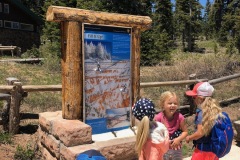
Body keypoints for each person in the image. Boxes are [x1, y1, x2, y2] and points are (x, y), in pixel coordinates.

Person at [185, 82, 223, 160]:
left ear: (200, 98)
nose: (193, 99)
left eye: (194, 97)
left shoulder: (201, 113)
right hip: (214, 149)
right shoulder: (215, 110)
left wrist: (189, 137)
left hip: (203, 150)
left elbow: (200, 133)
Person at [154, 91, 188, 160]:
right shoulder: (158, 118)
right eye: (170, 103)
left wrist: (178, 139)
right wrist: (165, 142)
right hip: (163, 149)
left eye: (175, 103)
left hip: (177, 148)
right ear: (163, 104)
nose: (173, 105)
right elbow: (155, 135)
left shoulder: (180, 117)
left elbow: (185, 132)